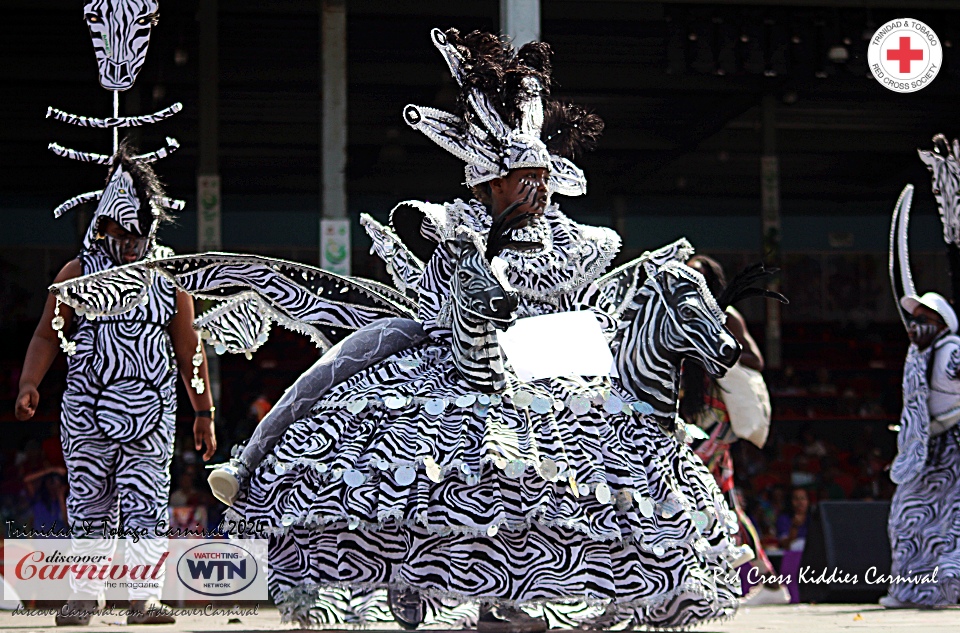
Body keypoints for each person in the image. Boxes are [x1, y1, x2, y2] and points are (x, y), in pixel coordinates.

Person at [206, 28, 744, 631]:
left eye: (541, 174)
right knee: (359, 366)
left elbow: (581, 310)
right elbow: (454, 300)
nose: (536, 186)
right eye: (521, 177)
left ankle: (533, 595)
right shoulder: (452, 228)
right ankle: (252, 462)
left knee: (565, 486)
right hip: (456, 357)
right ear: (489, 183)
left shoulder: (580, 241)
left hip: (559, 370)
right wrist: (484, 258)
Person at [14, 146, 215, 625]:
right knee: (89, 503)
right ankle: (86, 595)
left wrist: (203, 412)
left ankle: (143, 598)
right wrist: (29, 382)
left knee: (146, 503)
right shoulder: (78, 273)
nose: (126, 245)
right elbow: (47, 333)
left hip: (151, 411)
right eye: (118, 234)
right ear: (102, 226)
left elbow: (190, 349)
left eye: (135, 236)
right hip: (87, 411)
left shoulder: (169, 277)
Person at [682, 255, 791, 606]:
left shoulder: (727, 317)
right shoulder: (683, 316)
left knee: (686, 484)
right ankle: (768, 582)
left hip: (719, 418)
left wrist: (721, 345)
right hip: (695, 419)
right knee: (723, 501)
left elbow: (757, 361)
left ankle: (698, 579)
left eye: (698, 276)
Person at [880, 292, 960, 608]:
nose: (916, 325)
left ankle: (945, 589)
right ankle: (910, 590)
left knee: (951, 523)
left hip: (954, 447)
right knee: (907, 519)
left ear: (943, 324)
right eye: (914, 319)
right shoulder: (918, 354)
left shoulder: (951, 349)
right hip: (929, 449)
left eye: (924, 319)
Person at [775, 487, 810, 551]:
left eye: (803, 498)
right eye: (796, 499)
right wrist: (795, 527)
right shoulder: (783, 519)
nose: (800, 502)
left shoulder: (813, 519)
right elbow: (785, 545)